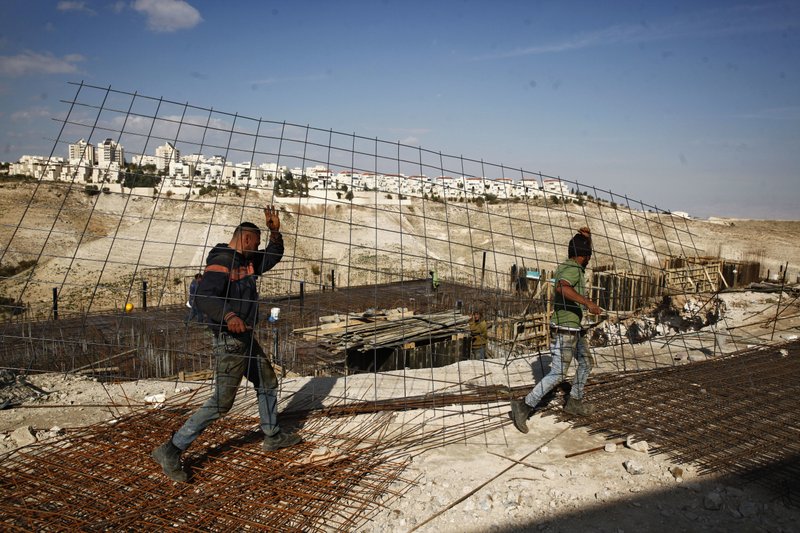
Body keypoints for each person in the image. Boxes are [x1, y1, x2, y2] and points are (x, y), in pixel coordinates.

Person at [152, 206, 301, 482]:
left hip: (244, 338)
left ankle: (272, 435)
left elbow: (272, 257)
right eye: (255, 243)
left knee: (267, 382)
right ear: (245, 239)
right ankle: (171, 449)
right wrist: (229, 315)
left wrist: (275, 232)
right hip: (230, 341)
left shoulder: (246, 261)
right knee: (221, 403)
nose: (257, 249)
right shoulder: (222, 261)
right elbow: (204, 298)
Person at [510, 227, 603, 433]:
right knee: (559, 373)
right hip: (565, 329)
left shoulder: (574, 266)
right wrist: (587, 303)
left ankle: (574, 402)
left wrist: (586, 238)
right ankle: (524, 406)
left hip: (574, 328)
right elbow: (562, 287)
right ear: (583, 256)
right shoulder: (570, 270)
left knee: (586, 362)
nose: (589, 259)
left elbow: (581, 251)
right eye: (588, 254)